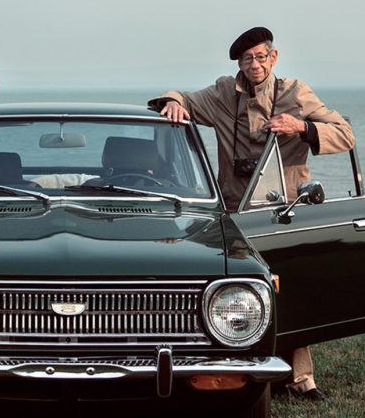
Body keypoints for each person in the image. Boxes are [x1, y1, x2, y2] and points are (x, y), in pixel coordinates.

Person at [148, 26, 352, 403]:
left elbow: (345, 134)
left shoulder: (295, 92)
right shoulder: (224, 93)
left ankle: (300, 379)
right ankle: (236, 368)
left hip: (283, 212)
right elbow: (181, 96)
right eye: (247, 59)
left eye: (261, 57)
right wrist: (174, 104)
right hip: (234, 212)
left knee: (288, 290)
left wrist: (301, 127)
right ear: (239, 64)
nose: (254, 65)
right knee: (236, 294)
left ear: (273, 57)